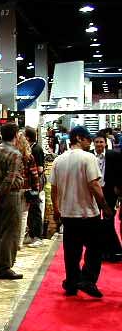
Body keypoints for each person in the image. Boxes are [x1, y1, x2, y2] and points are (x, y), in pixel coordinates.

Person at [50, 126, 113, 298]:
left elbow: (54, 188)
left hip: (68, 213)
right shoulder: (88, 157)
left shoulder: (58, 160)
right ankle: (87, 279)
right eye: (88, 139)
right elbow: (94, 184)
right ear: (79, 138)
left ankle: (72, 282)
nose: (90, 142)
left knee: (71, 251)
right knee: (95, 248)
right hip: (87, 213)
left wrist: (56, 209)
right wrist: (105, 206)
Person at [0, 122, 24, 280]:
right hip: (9, 196)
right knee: (10, 232)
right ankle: (5, 267)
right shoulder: (15, 153)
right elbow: (10, 179)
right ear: (15, 135)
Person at [93, 132, 122, 262]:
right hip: (94, 192)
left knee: (108, 221)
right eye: (97, 142)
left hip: (109, 192)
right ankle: (99, 250)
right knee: (95, 222)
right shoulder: (89, 155)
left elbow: (119, 172)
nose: (99, 144)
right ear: (93, 143)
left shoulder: (113, 155)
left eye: (101, 142)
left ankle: (112, 251)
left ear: (105, 143)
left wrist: (118, 188)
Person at [16, 132, 40, 248]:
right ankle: (19, 242)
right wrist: (36, 189)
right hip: (26, 189)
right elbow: (34, 174)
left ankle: (14, 240)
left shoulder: (12, 155)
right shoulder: (29, 157)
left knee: (13, 216)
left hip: (14, 188)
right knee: (23, 216)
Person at [23, 126, 45, 246]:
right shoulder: (30, 149)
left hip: (35, 183)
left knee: (35, 208)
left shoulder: (36, 149)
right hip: (31, 183)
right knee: (30, 209)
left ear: (27, 137)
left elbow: (40, 169)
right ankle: (31, 234)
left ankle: (37, 236)